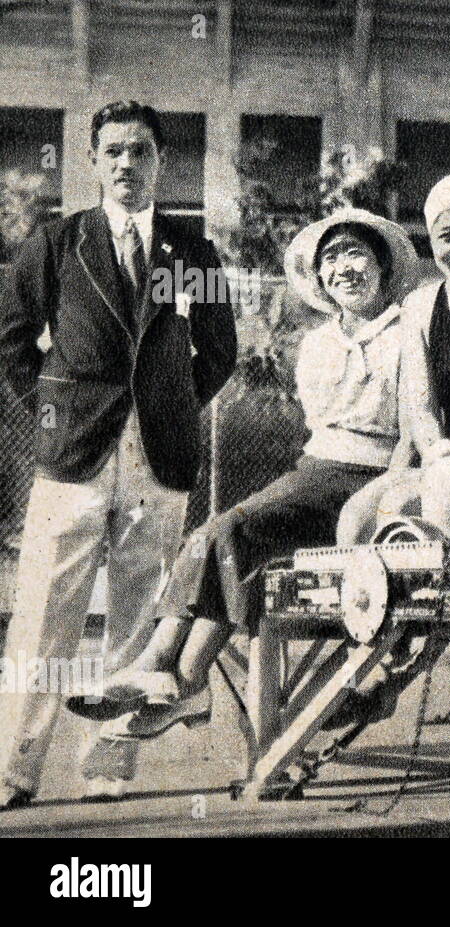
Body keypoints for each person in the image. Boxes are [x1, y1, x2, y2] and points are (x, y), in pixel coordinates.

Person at [88, 208, 420, 742]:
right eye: (330, 259)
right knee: (232, 541)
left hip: (372, 482)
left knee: (227, 530)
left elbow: (414, 428)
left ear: (381, 265)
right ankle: (180, 679)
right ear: (319, 278)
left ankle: (164, 667)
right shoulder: (317, 344)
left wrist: (389, 499)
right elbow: (317, 429)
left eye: (356, 253)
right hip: (315, 474)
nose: (344, 269)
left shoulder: (410, 332)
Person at [0, 101, 236, 809]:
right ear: (95, 162)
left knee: (139, 619)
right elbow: (13, 342)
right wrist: (55, 414)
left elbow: (219, 350)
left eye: (140, 151)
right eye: (112, 152)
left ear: (161, 161)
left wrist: (167, 406)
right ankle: (15, 766)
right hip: (71, 456)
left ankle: (107, 766)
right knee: (45, 612)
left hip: (158, 460)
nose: (126, 164)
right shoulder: (56, 243)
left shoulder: (193, 254)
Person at [329, 174, 450, 732]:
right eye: (446, 236)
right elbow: (419, 407)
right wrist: (434, 450)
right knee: (361, 515)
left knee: (445, 507)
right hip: (443, 456)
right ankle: (367, 661)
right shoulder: (422, 306)